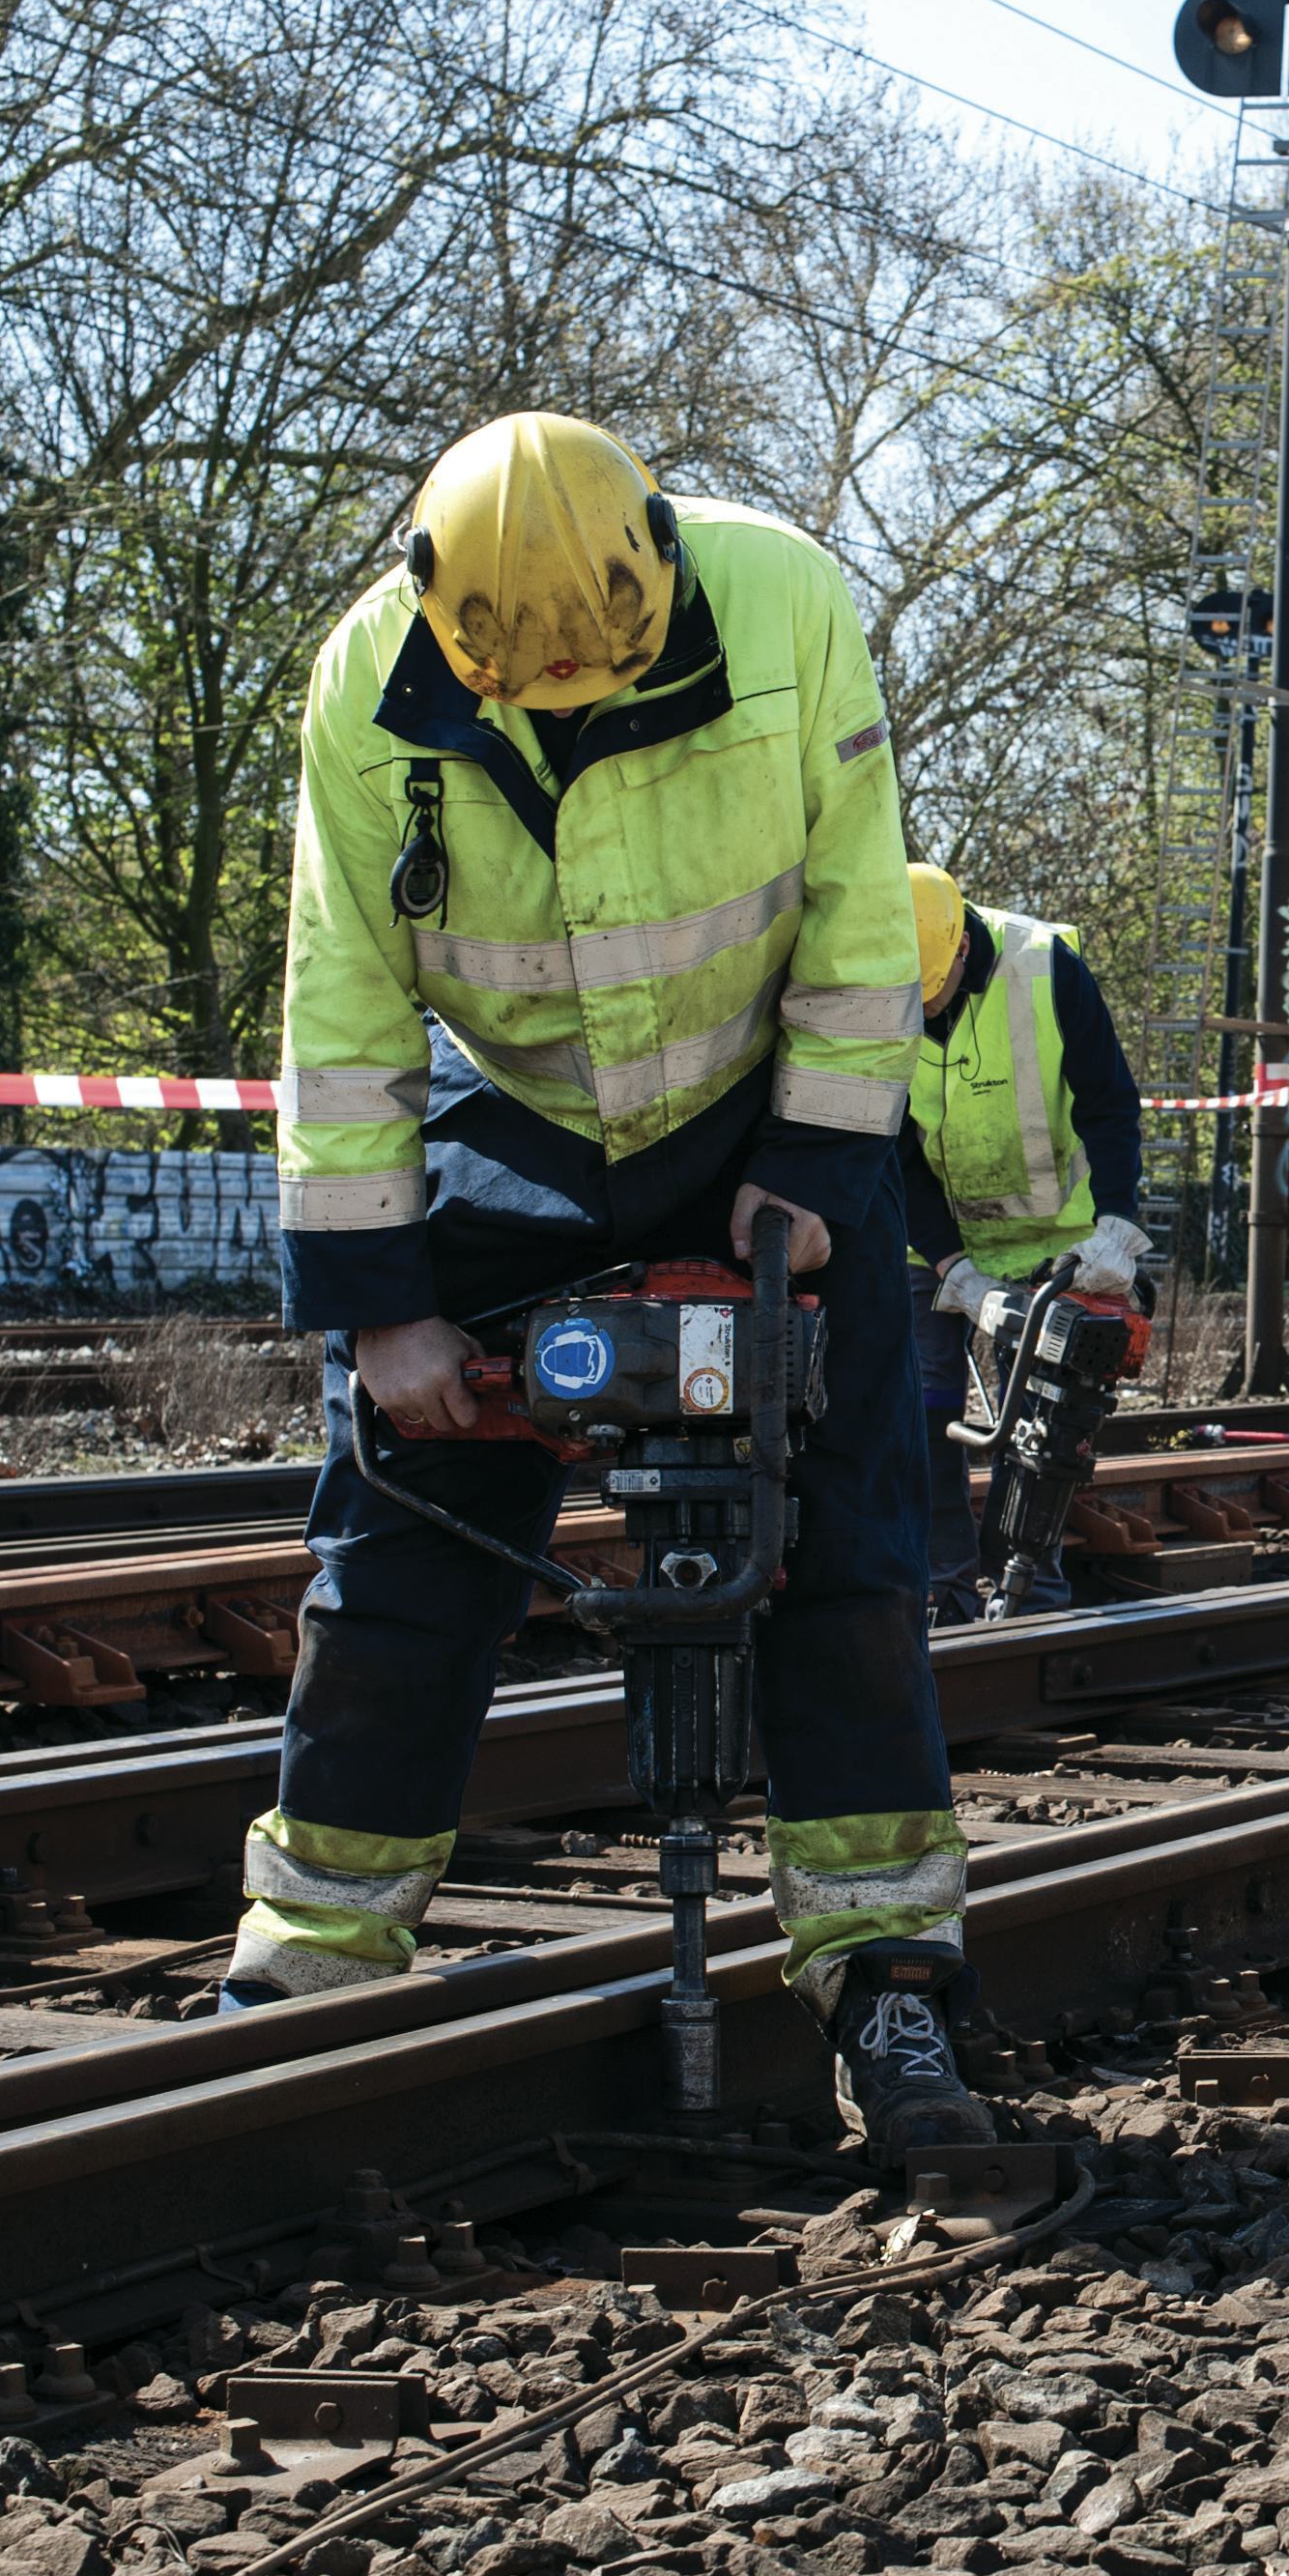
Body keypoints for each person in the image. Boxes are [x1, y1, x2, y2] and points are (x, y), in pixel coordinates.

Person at [249, 411, 988, 2160]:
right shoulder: (368, 685)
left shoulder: (789, 607)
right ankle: (311, 1968)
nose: (570, 696)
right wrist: (384, 1309)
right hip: (516, 1119)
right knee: (395, 1556)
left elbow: (861, 925)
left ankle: (888, 1981)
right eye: (532, 683)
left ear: (657, 564)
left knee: (846, 1560)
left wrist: (811, 1185)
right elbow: (342, 1011)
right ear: (450, 627)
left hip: (764, 1116)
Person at [902, 864, 1152, 1620]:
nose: (921, 1009)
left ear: (960, 952)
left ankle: (1033, 1595)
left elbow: (1110, 1103)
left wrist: (1116, 1227)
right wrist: (956, 1271)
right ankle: (938, 1591)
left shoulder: (1045, 968)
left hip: (1060, 1242)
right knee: (922, 1412)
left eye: (930, 992)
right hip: (936, 1247)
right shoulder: (869, 986)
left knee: (1048, 1428)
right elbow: (891, 1151)